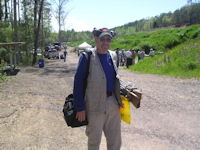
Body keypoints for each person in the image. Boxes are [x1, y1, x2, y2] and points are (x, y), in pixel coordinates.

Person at [73, 28, 122, 150]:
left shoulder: (114, 56)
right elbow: (78, 83)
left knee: (115, 141)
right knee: (94, 142)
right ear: (96, 40)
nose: (105, 42)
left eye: (108, 39)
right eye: (102, 39)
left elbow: (115, 79)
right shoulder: (87, 57)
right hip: (94, 105)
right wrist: (80, 107)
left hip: (113, 103)